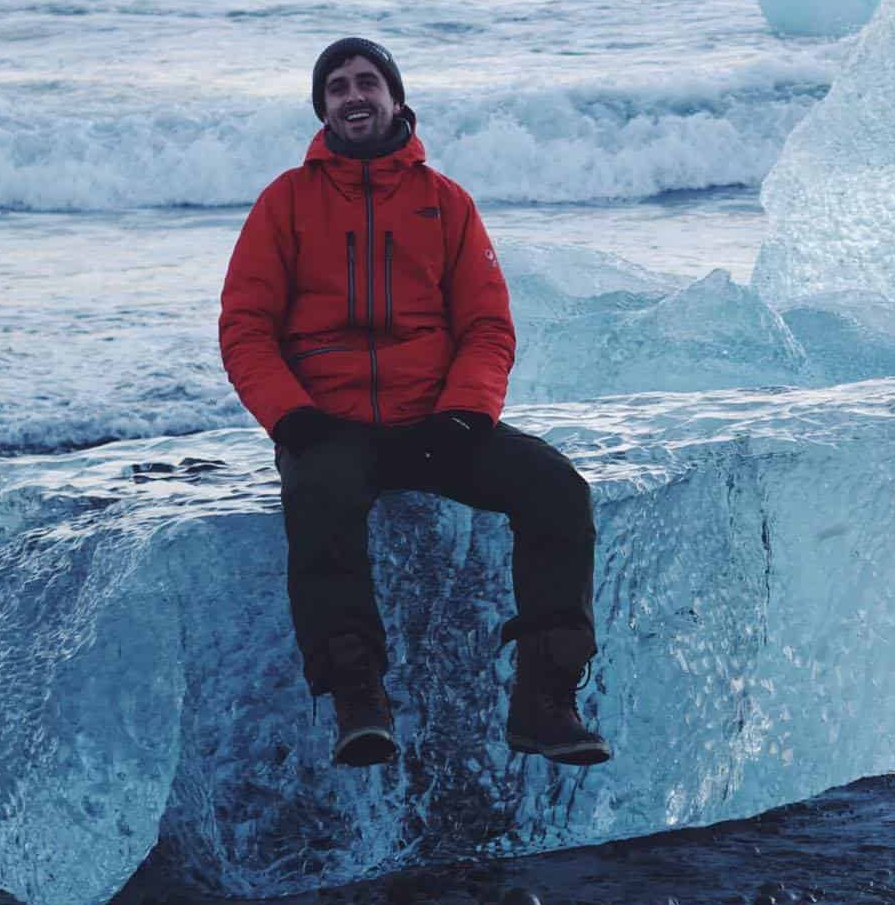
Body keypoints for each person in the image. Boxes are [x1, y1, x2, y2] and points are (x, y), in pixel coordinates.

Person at [218, 37, 610, 768]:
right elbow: (245, 326)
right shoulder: (285, 202)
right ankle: (358, 699)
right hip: (329, 423)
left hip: (437, 422)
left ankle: (544, 700)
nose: (353, 95)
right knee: (320, 501)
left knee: (556, 489)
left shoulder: (444, 202)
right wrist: (291, 417)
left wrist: (465, 412)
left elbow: (488, 324)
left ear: (396, 97)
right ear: (322, 108)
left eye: (368, 81)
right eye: (337, 87)